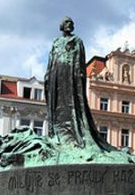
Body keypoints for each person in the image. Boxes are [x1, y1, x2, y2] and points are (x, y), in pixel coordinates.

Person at [44, 16, 108, 150]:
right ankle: (57, 131)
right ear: (62, 25)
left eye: (71, 23)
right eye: (67, 22)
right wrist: (48, 74)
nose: (70, 25)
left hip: (71, 74)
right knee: (57, 102)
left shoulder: (77, 40)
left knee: (71, 102)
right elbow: (51, 59)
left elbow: (80, 60)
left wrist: (79, 76)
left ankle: (74, 132)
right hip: (56, 73)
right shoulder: (56, 42)